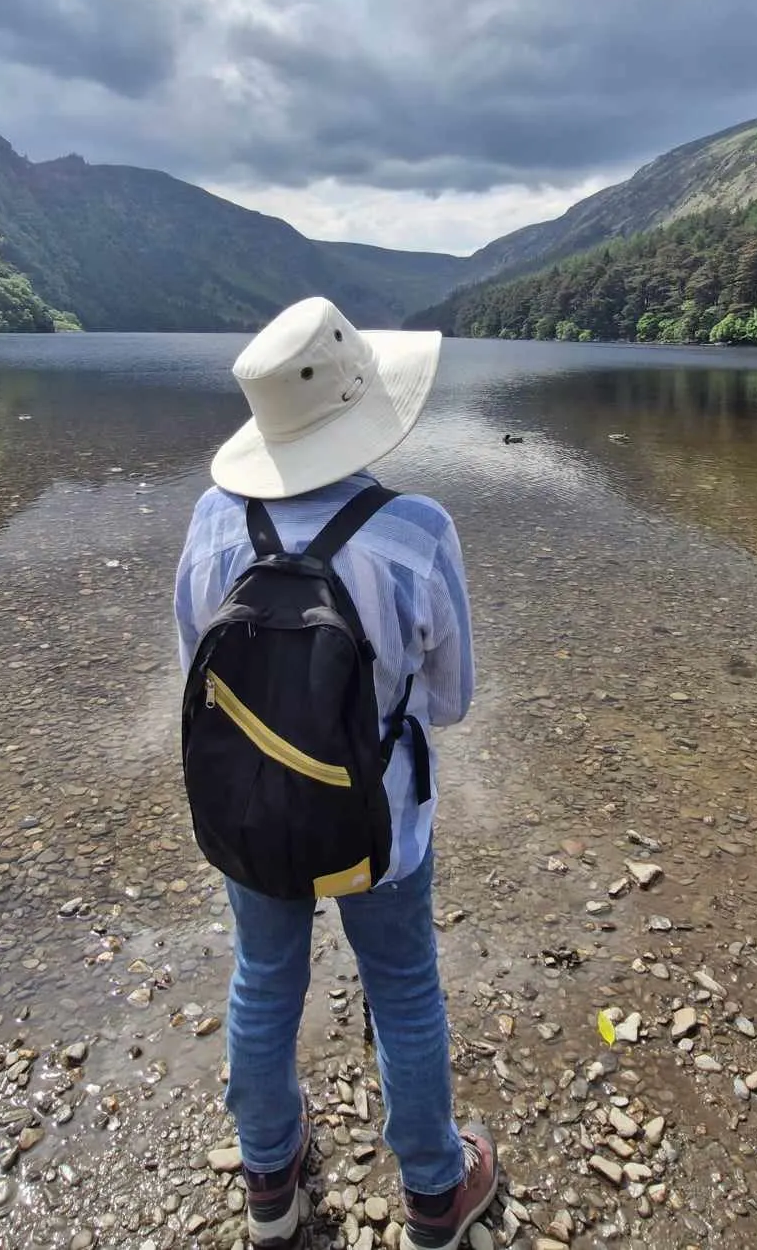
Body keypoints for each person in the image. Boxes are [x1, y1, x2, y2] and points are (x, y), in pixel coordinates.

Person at [174, 297, 499, 1249]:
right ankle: (437, 1192)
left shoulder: (211, 518)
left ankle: (270, 1182)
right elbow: (449, 701)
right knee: (402, 986)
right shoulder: (417, 530)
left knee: (263, 979)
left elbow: (195, 658)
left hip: (247, 810)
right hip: (381, 824)